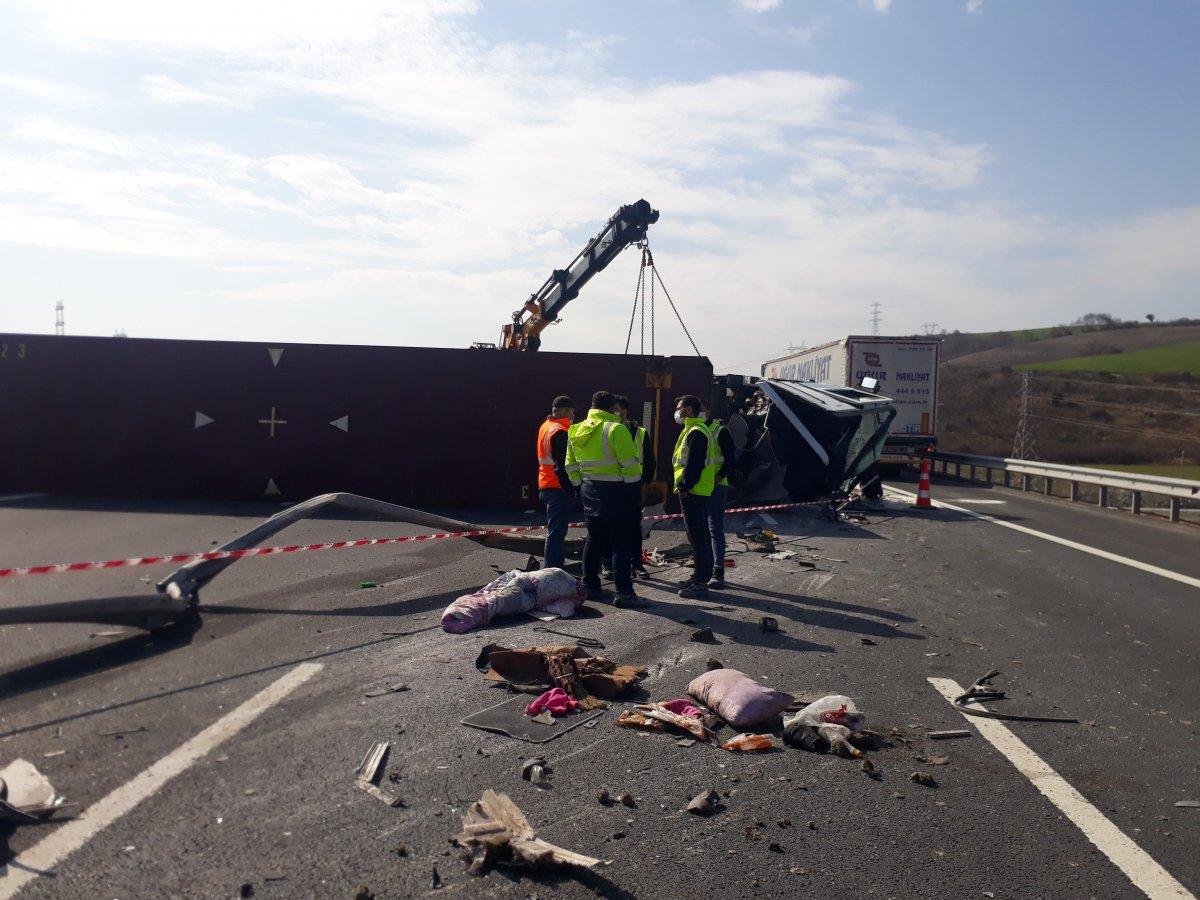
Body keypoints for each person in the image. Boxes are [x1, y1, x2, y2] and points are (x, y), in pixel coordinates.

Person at [566, 391, 646, 607]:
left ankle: (590, 585)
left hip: (589, 491)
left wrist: (581, 486)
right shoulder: (616, 429)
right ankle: (624, 593)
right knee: (621, 543)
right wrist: (634, 494)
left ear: (592, 406)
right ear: (612, 408)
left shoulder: (575, 429)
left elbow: (570, 466)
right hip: (617, 492)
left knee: (594, 539)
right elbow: (630, 467)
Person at [603, 396, 654, 578]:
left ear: (624, 411)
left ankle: (636, 564)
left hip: (633, 487)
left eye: (616, 409)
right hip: (611, 486)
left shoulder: (639, 432)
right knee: (608, 526)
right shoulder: (606, 431)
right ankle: (608, 564)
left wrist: (644, 483)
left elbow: (649, 460)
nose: (614, 412)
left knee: (633, 527)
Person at [672, 394, 715, 599]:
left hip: (694, 491)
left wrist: (684, 485)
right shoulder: (693, 429)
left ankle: (700, 582)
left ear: (689, 409)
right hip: (698, 490)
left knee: (698, 537)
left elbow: (694, 465)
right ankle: (699, 576)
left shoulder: (696, 432)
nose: (677, 412)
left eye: (680, 408)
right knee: (700, 536)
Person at [536, 396, 575, 570]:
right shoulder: (560, 431)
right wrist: (571, 489)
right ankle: (553, 569)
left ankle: (553, 566)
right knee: (557, 532)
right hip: (556, 486)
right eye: (572, 412)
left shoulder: (546, 426)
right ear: (566, 411)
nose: (573, 416)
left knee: (555, 530)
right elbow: (562, 466)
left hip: (545, 483)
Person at [701, 399, 737, 588]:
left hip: (716, 486)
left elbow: (730, 459)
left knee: (715, 527)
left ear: (707, 411)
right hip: (698, 488)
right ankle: (703, 568)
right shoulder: (693, 430)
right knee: (700, 529)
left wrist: (718, 477)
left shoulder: (719, 431)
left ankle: (718, 570)